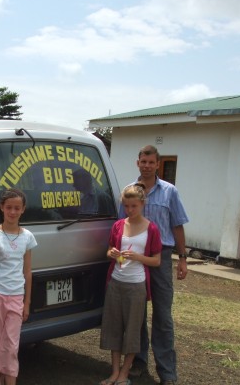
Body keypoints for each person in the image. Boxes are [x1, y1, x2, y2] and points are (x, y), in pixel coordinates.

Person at [124, 145, 189, 385]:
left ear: (157, 164)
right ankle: (137, 362)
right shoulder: (130, 191)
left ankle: (167, 372)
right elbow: (123, 224)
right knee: (136, 313)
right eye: (144, 161)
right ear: (137, 162)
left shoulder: (170, 192)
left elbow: (178, 225)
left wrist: (182, 258)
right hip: (135, 259)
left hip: (161, 258)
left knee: (162, 315)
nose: (147, 166)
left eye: (151, 162)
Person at [99, 183, 162, 385]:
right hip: (116, 282)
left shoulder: (151, 228)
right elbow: (109, 251)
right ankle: (115, 372)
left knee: (133, 330)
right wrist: (113, 254)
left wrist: (138, 257)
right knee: (114, 328)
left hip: (137, 286)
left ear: (142, 204)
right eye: (126, 206)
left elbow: (157, 260)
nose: (130, 210)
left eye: (134, 206)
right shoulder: (118, 225)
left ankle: (125, 373)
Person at [0, 188, 37, 385]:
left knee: (11, 345)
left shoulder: (28, 236)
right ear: (1, 208)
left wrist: (27, 302)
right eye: (9, 207)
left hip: (16, 295)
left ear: (23, 210)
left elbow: (27, 271)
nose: (12, 212)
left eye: (17, 208)